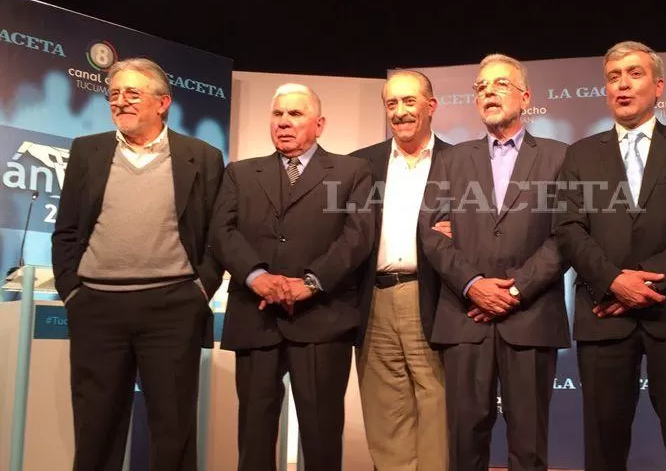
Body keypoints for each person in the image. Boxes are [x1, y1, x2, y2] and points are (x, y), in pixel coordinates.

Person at [51, 57, 225, 471]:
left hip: (172, 310)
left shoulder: (202, 156)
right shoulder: (86, 150)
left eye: (132, 93)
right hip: (97, 308)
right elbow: (67, 231)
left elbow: (217, 236)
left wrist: (200, 290)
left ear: (163, 102)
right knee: (96, 426)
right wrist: (72, 291)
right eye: (114, 94)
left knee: (173, 428)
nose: (120, 102)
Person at [555, 40, 666, 471]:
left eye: (634, 73)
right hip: (603, 314)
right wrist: (613, 281)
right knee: (603, 446)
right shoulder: (580, 154)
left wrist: (641, 280)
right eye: (613, 77)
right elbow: (569, 229)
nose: (623, 85)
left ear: (659, 85)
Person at [209, 83, 374, 471]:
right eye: (278, 114)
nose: (284, 122)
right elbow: (222, 232)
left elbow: (358, 235)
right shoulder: (240, 173)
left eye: (295, 114)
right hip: (257, 315)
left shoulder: (352, 172)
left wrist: (311, 283)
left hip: (322, 318)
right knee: (253, 435)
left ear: (319, 124)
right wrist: (256, 276)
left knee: (321, 437)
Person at [419, 54, 570, 471]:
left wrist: (517, 288)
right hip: (465, 314)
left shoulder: (560, 157)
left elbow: (567, 234)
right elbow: (430, 232)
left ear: (526, 98)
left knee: (529, 445)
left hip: (532, 316)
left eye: (500, 84)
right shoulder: (449, 159)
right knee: (464, 444)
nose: (488, 91)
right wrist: (473, 284)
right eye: (481, 86)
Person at [350, 70, 451, 470]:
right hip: (373, 298)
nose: (401, 112)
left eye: (410, 102)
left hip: (432, 295)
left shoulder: (459, 161)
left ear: (431, 106)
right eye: (392, 103)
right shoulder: (361, 163)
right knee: (384, 409)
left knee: (437, 403)